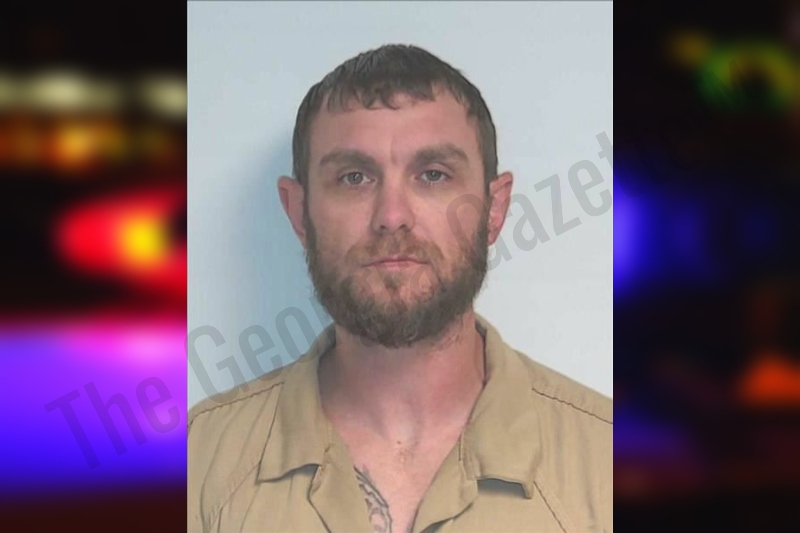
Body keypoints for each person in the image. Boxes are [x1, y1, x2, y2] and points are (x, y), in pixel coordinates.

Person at [188, 44, 612, 533]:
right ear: (298, 212)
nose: (392, 216)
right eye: (354, 177)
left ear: (494, 209)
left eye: (433, 175)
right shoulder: (197, 465)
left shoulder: (607, 462)